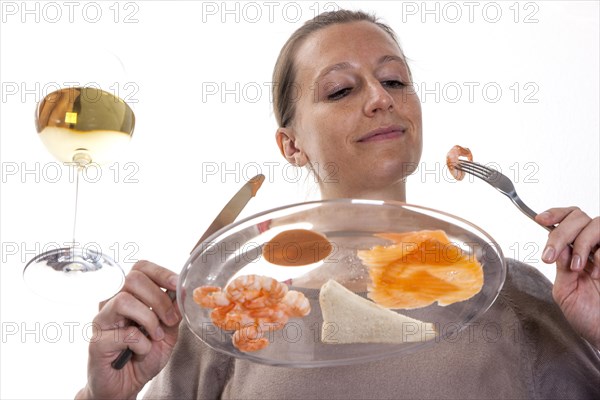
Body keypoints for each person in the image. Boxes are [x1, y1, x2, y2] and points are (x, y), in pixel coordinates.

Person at [75, 10, 600, 399]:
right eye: (340, 90)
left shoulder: (513, 292)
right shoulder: (230, 321)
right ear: (291, 145)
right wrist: (106, 397)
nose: (380, 98)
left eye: (394, 80)